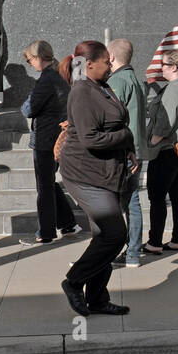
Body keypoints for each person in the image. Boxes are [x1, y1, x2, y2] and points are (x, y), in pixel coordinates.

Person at [57, 41, 135, 316]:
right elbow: (91, 139)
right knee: (115, 235)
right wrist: (125, 137)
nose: (110, 65)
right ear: (89, 64)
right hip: (84, 174)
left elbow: (117, 123)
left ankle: (98, 299)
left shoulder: (101, 86)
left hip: (107, 172)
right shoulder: (82, 92)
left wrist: (129, 149)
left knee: (104, 236)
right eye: (106, 62)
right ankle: (74, 282)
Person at [18, 40, 80, 246]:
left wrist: (27, 100)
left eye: (29, 60)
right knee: (49, 183)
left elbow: (28, 110)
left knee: (44, 186)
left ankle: (46, 232)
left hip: (45, 140)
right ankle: (68, 223)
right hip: (54, 137)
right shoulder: (58, 79)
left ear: (37, 58)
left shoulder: (46, 80)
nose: (30, 64)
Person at [143, 49, 178, 254]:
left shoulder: (175, 89)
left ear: (174, 67)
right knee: (177, 195)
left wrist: (150, 144)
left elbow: (165, 123)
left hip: (167, 150)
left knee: (157, 197)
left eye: (164, 65)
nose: (161, 68)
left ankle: (154, 242)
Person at [106, 39, 149, 267]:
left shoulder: (118, 81)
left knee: (123, 201)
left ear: (111, 57)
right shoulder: (135, 79)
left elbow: (111, 117)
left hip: (124, 150)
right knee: (131, 200)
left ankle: (126, 251)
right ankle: (132, 252)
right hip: (136, 148)